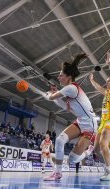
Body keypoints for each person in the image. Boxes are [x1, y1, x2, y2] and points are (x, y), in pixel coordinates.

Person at [43, 53, 97, 181]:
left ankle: (89, 151)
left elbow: (51, 98)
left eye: (61, 75)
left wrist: (49, 93)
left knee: (72, 160)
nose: (58, 77)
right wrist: (54, 92)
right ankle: (57, 173)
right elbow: (65, 107)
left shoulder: (71, 88)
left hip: (90, 126)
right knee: (60, 140)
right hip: (80, 122)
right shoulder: (69, 90)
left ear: (69, 76)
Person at [89, 52, 110, 181]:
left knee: (103, 143)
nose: (107, 82)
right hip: (103, 122)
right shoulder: (106, 93)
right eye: (107, 81)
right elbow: (98, 87)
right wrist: (92, 80)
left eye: (109, 81)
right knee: (97, 149)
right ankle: (109, 165)